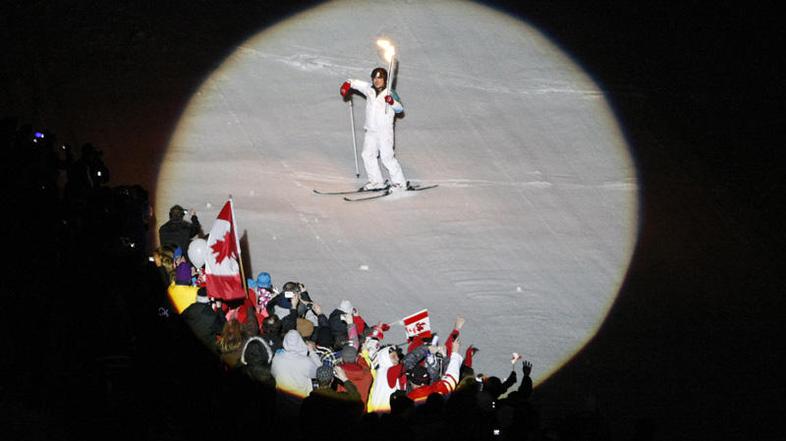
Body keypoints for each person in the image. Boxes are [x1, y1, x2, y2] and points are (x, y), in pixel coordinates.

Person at [340, 67, 408, 192]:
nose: (377, 80)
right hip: (371, 130)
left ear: (385, 79)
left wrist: (392, 102)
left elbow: (400, 109)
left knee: (387, 157)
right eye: (375, 77)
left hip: (384, 131)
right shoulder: (369, 89)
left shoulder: (389, 92)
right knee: (367, 155)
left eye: (380, 78)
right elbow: (353, 82)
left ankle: (399, 183)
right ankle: (376, 181)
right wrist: (346, 86)